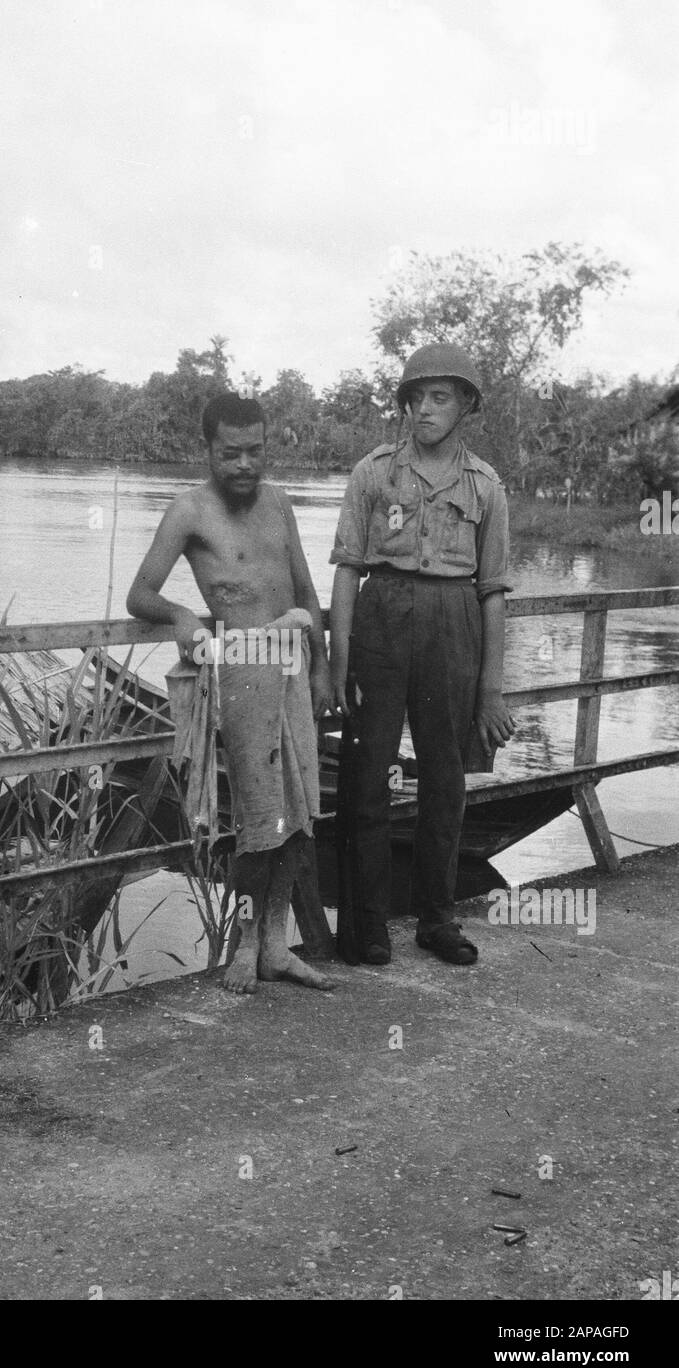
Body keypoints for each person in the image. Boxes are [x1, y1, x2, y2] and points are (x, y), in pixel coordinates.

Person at [126, 391, 334, 994]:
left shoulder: (280, 501)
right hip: (240, 671)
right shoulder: (188, 510)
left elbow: (305, 590)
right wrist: (183, 616)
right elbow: (140, 595)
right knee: (257, 825)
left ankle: (276, 946)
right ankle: (243, 949)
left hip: (292, 666)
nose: (245, 465)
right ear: (208, 450)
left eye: (255, 452)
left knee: (299, 818)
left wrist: (321, 669)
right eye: (230, 453)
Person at [328, 344, 516, 967]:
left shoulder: (485, 484)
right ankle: (367, 926)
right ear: (404, 404)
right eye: (418, 397)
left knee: (446, 778)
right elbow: (349, 570)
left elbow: (493, 592)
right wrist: (339, 659)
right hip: (382, 619)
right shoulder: (374, 473)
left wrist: (490, 689)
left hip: (453, 624)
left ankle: (437, 920)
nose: (427, 410)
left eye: (442, 397)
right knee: (368, 777)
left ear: (465, 406)